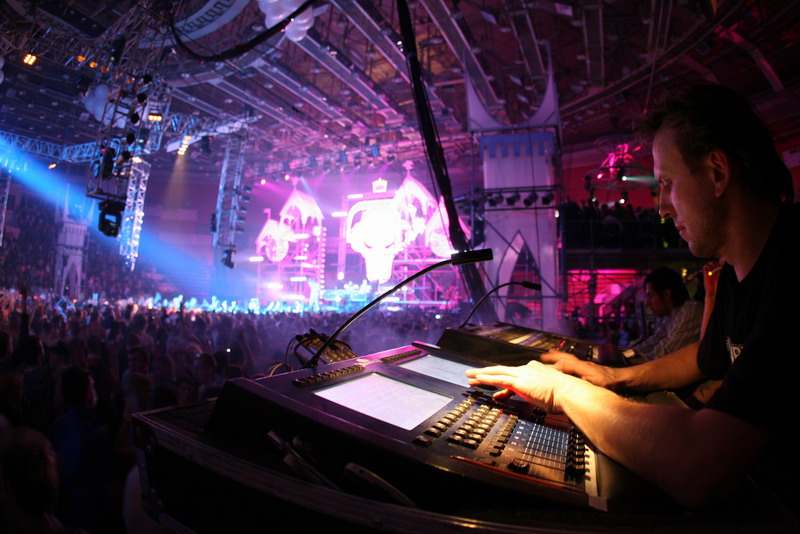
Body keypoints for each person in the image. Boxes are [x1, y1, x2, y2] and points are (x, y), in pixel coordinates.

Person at [466, 83, 798, 519]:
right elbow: (706, 356)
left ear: (718, 172)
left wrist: (563, 390)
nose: (661, 208)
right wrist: (613, 378)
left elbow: (698, 464)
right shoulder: (743, 267)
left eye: (667, 184)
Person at [628, 267, 703, 360]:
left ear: (666, 295)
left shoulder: (690, 312)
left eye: (650, 296)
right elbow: (654, 341)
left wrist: (627, 358)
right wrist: (626, 353)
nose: (646, 303)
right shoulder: (670, 315)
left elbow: (663, 354)